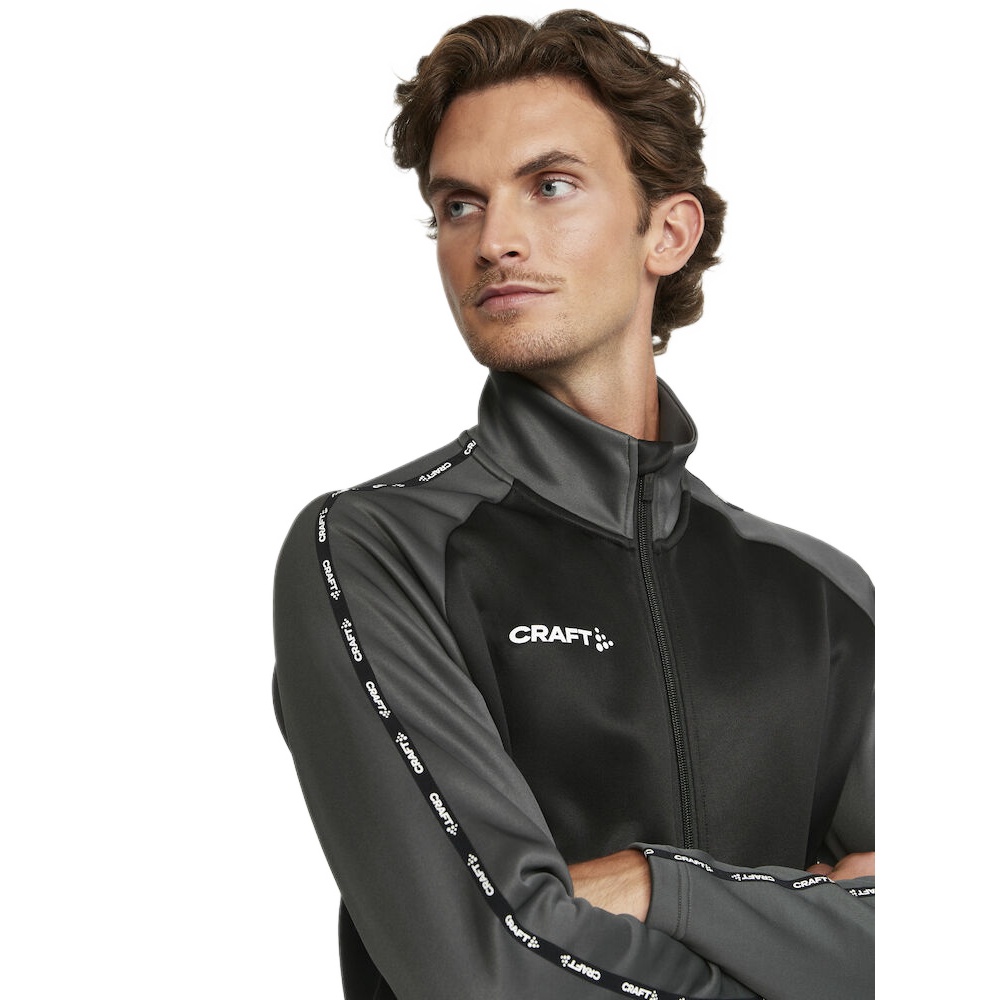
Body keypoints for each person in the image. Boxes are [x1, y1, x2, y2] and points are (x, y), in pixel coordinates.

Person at [272, 10, 874, 999]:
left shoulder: (822, 594)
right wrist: (807, 936)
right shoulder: (380, 551)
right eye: (459, 205)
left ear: (667, 233)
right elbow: (489, 968)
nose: (494, 241)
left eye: (550, 186)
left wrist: (659, 888)